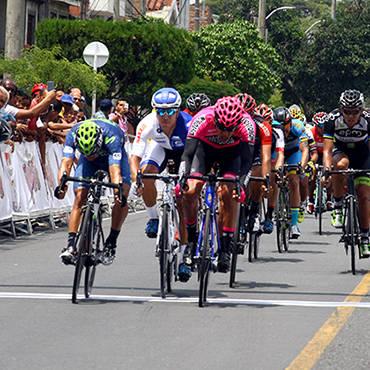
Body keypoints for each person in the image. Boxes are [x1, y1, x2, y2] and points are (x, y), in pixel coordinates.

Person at [180, 96, 256, 277]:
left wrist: (241, 186)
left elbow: (247, 162)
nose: (225, 134)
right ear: (214, 119)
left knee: (229, 193)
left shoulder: (247, 124)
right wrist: (183, 178)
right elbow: (187, 155)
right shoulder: (202, 118)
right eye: (221, 127)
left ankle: (225, 249)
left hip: (231, 155)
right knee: (191, 191)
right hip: (204, 151)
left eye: (230, 129)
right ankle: (191, 240)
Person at [129, 88, 192, 273]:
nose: (165, 116)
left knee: (182, 203)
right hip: (161, 148)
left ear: (178, 110)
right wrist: (136, 181)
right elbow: (135, 158)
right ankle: (154, 218)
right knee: (146, 176)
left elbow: (195, 156)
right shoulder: (147, 124)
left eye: (170, 111)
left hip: (184, 154)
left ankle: (183, 259)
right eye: (160, 111)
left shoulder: (188, 125)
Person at [55, 119, 131, 265]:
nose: (90, 156)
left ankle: (111, 242)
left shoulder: (112, 137)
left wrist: (117, 190)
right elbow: (66, 163)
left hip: (111, 157)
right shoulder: (72, 135)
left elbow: (115, 171)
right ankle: (70, 246)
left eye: (92, 153)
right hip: (88, 165)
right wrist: (61, 186)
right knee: (79, 196)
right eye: (86, 153)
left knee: (122, 196)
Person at [322, 89, 370, 256]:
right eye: (347, 111)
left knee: (364, 196)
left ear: (361, 110)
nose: (351, 116)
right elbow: (327, 151)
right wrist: (326, 172)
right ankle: (337, 206)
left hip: (362, 154)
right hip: (340, 151)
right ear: (341, 109)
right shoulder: (332, 119)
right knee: (341, 165)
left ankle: (365, 237)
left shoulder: (368, 120)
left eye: (355, 112)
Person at [274, 107, 309, 239]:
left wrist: (302, 166)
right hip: (278, 151)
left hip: (294, 152)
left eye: (286, 128)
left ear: (290, 123)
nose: (285, 132)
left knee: (294, 181)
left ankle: (294, 224)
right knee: (274, 176)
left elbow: (305, 149)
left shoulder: (298, 126)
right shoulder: (272, 128)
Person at [255, 103, 285, 234]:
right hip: (256, 152)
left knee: (273, 176)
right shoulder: (252, 127)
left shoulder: (278, 129)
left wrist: (279, 170)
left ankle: (269, 216)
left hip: (271, 152)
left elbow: (280, 153)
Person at [307, 112, 332, 213]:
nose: (322, 128)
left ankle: (330, 199)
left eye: (324, 125)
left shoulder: (330, 132)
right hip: (315, 154)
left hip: (327, 154)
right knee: (312, 173)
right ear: (316, 126)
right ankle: (310, 200)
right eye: (320, 126)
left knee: (331, 173)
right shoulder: (311, 132)